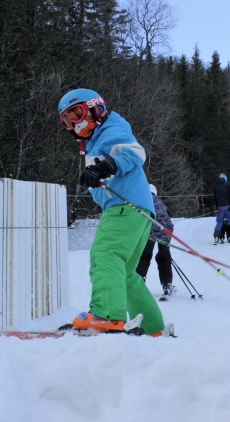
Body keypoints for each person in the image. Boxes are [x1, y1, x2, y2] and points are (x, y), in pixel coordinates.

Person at [58, 88, 165, 336]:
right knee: (126, 274)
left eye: (77, 113)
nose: (74, 123)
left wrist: (104, 167)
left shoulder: (111, 129)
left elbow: (135, 152)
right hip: (136, 208)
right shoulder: (95, 140)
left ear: (95, 108)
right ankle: (152, 328)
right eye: (67, 120)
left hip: (124, 207)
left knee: (106, 255)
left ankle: (106, 316)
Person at [136, 184, 175, 296]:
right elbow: (168, 222)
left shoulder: (142, 201)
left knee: (144, 256)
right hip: (165, 232)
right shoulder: (160, 203)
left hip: (149, 233)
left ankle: (139, 280)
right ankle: (167, 283)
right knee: (164, 257)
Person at [212, 173, 230, 243]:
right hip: (228, 206)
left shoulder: (216, 187)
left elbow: (215, 198)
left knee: (219, 222)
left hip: (220, 207)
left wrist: (217, 206)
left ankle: (216, 237)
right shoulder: (228, 186)